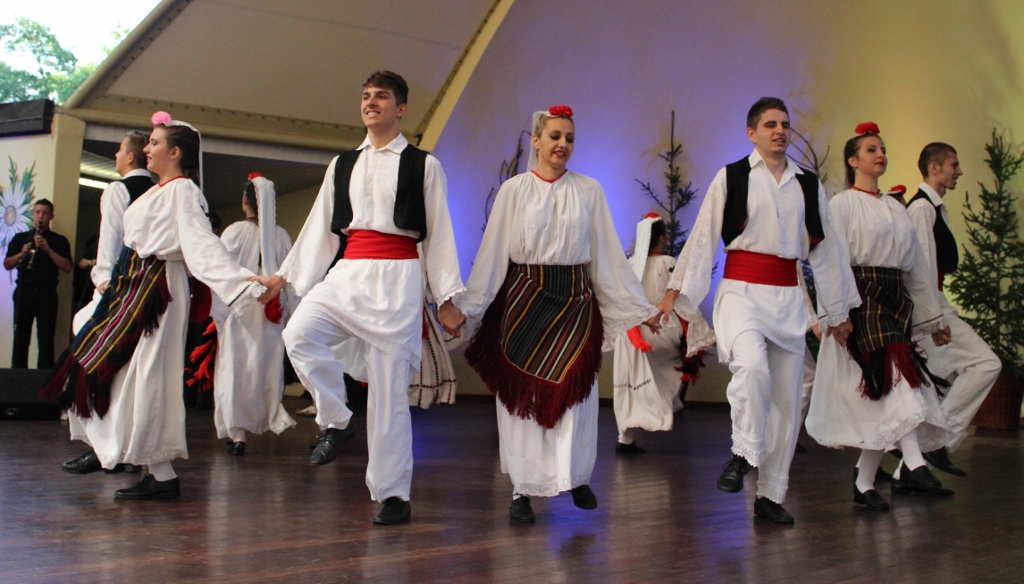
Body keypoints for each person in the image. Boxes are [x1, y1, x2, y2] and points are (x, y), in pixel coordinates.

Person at [255, 71, 465, 526]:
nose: (371, 103)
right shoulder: (342, 164)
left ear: (401, 109)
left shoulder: (424, 165)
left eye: (381, 97)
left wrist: (445, 297)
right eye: (366, 96)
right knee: (298, 334)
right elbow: (319, 227)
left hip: (397, 279)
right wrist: (283, 277)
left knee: (389, 393)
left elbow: (439, 234)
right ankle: (336, 418)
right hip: (349, 272)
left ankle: (393, 495)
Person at [657, 97, 859, 524]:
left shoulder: (807, 184)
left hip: (788, 297)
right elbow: (703, 235)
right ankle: (742, 452)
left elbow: (827, 252)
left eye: (784, 124)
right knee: (751, 366)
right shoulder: (732, 176)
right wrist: (674, 292)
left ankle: (770, 495)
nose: (779, 131)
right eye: (770, 124)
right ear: (752, 133)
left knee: (787, 401)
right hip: (741, 293)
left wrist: (837, 312)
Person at [41, 112, 263, 500]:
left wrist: (245, 283)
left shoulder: (183, 191)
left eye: (155, 143)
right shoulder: (160, 190)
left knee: (149, 376)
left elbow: (202, 246)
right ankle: (133, 460)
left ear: (175, 152)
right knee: (115, 365)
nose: (147, 148)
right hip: (134, 284)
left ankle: (158, 473)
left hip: (158, 289)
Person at [458, 105, 662, 524]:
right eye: (554, 136)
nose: (562, 144)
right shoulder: (514, 190)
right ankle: (522, 490)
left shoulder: (589, 190)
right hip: (523, 302)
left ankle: (575, 476)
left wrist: (639, 308)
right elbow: (492, 253)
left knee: (576, 398)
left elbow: (606, 255)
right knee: (523, 402)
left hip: (574, 303)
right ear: (536, 140)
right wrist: (466, 307)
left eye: (569, 138)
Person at [806, 123, 955, 511]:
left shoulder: (894, 206)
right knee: (897, 374)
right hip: (861, 294)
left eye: (883, 149)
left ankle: (864, 482)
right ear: (853, 160)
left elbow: (916, 266)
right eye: (871, 149)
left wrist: (933, 318)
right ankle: (915, 464)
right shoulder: (842, 204)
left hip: (893, 296)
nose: (880, 154)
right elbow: (829, 260)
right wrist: (835, 312)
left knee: (882, 391)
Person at [907, 143, 1002, 475]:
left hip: (935, 302)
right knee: (986, 364)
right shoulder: (922, 209)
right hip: (929, 307)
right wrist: (933, 320)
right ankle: (940, 441)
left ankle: (911, 469)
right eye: (954, 165)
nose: (959, 171)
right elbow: (920, 269)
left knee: (938, 384)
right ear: (934, 167)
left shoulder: (934, 207)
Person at [62, 130, 153, 475]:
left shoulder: (119, 190)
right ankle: (128, 449)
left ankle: (103, 447)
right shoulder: (160, 190)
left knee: (92, 362)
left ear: (130, 157)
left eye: (118, 151)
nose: (115, 156)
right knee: (132, 378)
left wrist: (102, 283)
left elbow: (110, 246)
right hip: (149, 293)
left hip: (118, 290)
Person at [612, 213, 714, 453]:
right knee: (675, 365)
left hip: (630, 334)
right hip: (659, 328)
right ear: (661, 239)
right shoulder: (668, 262)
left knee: (628, 381)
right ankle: (660, 412)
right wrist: (701, 330)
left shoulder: (630, 264)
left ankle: (625, 438)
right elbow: (681, 299)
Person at [211, 174, 297, 455]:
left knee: (236, 368)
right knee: (266, 366)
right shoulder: (281, 235)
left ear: (245, 201)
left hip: (240, 310)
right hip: (272, 311)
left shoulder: (234, 231)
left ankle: (238, 435)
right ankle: (270, 415)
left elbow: (219, 269)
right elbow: (291, 277)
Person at [4, 199, 72, 368]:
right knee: (20, 336)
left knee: (46, 337)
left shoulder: (59, 240)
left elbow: (67, 267)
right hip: (24, 291)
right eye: (38, 212)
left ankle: (44, 376)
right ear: (33, 215)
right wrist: (22, 253)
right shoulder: (21, 238)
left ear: (51, 216)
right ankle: (18, 374)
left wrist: (48, 250)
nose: (41, 216)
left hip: (46, 293)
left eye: (45, 213)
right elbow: (7, 264)